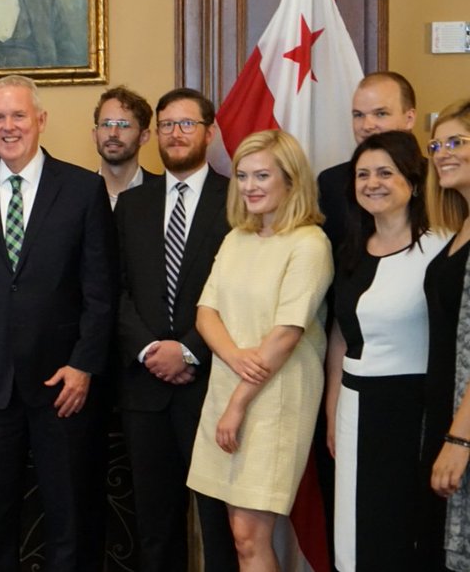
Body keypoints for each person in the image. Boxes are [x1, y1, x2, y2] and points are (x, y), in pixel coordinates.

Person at [0, 74, 115, 570]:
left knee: (69, 521)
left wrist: (83, 365)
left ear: (41, 120)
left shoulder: (83, 190)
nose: (8, 126)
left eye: (18, 115)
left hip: (61, 384)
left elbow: (100, 291)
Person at [186, 129, 333, 570]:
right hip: (230, 389)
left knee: (250, 536)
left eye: (262, 175)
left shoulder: (309, 244)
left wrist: (237, 402)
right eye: (243, 176)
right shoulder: (237, 238)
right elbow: (205, 313)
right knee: (237, 532)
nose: (249, 186)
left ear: (290, 179)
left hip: (274, 400)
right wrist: (234, 358)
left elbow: (286, 335)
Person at [114, 88, 237, 572]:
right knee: (154, 524)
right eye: (167, 124)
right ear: (154, 134)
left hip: (209, 386)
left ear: (211, 132)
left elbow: (238, 297)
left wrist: (187, 352)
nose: (176, 133)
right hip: (144, 391)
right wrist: (149, 349)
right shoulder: (132, 203)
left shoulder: (235, 200)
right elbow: (113, 291)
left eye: (187, 124)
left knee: (217, 524)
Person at [325, 130, 446, 571]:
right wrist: (333, 408)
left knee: (403, 530)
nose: (372, 183)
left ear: (412, 183)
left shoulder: (441, 249)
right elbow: (340, 333)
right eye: (362, 174)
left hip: (413, 411)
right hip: (354, 408)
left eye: (384, 173)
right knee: (356, 536)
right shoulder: (350, 252)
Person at [422, 99, 470, 571]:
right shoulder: (458, 227)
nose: (442, 153)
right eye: (437, 144)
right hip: (447, 414)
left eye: (457, 142)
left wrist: (460, 440)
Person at [317, 71, 417, 246]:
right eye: (358, 115)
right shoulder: (331, 182)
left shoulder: (439, 179)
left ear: (409, 119)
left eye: (380, 114)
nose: (367, 126)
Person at [92, 85, 154, 208]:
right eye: (106, 124)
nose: (113, 133)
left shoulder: (163, 193)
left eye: (123, 125)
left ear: (144, 136)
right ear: (94, 134)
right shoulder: (76, 194)